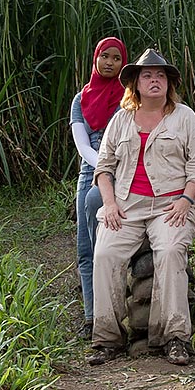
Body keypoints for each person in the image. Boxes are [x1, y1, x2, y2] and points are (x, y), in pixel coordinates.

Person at [89, 50, 195, 367]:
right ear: (136, 84)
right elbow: (103, 168)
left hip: (171, 205)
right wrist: (111, 204)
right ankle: (107, 339)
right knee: (104, 255)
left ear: (169, 83)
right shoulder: (121, 120)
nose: (154, 80)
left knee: (170, 253)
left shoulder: (185, 118)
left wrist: (186, 200)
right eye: (147, 75)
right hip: (126, 206)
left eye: (160, 75)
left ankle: (174, 337)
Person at [70, 36, 127, 336]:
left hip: (123, 173)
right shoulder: (81, 99)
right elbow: (82, 145)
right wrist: (99, 168)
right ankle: (91, 317)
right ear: (95, 59)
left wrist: (109, 171)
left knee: (111, 246)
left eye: (116, 58)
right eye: (105, 56)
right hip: (88, 171)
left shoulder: (128, 99)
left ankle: (116, 312)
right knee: (85, 248)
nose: (109, 62)